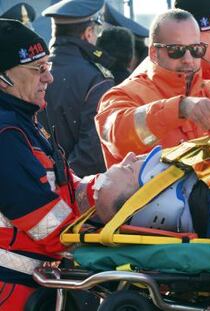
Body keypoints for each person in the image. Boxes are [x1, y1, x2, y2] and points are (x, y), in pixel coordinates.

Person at [0, 18, 98, 310]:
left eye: (48, 66)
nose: (49, 78)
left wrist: (105, 190)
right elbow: (42, 219)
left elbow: (65, 187)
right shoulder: (6, 134)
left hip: (32, 285)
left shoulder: (24, 123)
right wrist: (100, 244)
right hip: (12, 291)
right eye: (38, 69)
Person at [95, 9, 210, 167]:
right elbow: (118, 138)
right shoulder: (123, 95)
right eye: (176, 50)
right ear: (153, 53)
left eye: (195, 49)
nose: (188, 59)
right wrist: (179, 108)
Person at [38, 0, 115, 177]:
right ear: (88, 33)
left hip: (35, 187)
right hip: (78, 191)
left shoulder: (30, 73)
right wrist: (64, 183)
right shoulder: (96, 78)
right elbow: (93, 152)